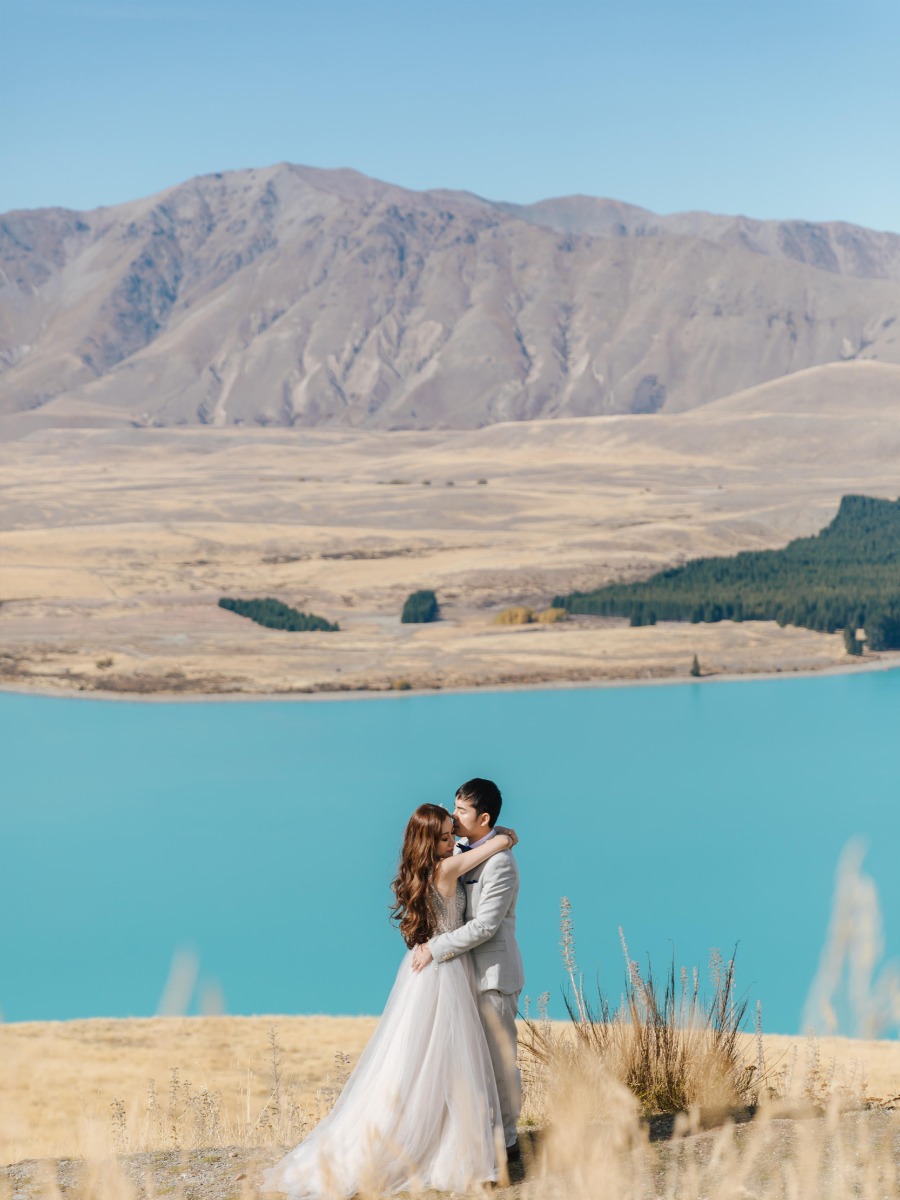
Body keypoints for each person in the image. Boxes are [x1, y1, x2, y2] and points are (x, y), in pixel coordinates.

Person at [262, 803, 519, 1199]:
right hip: (445, 969)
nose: (455, 842)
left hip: (425, 968)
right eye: (447, 836)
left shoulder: (422, 871)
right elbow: (495, 845)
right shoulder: (448, 867)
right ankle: (449, 1145)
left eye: (454, 833)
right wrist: (505, 836)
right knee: (451, 1059)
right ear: (431, 843)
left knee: (415, 1059)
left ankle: (432, 1134)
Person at [412, 778, 524, 1160]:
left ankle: (508, 1143)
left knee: (499, 1061)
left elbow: (485, 926)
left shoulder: (501, 864)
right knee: (464, 1063)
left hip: (492, 976)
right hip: (457, 977)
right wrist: (505, 836)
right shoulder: (458, 849)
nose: (454, 817)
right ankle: (472, 1138)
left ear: (484, 817)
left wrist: (434, 948)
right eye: (454, 808)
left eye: (461, 811)